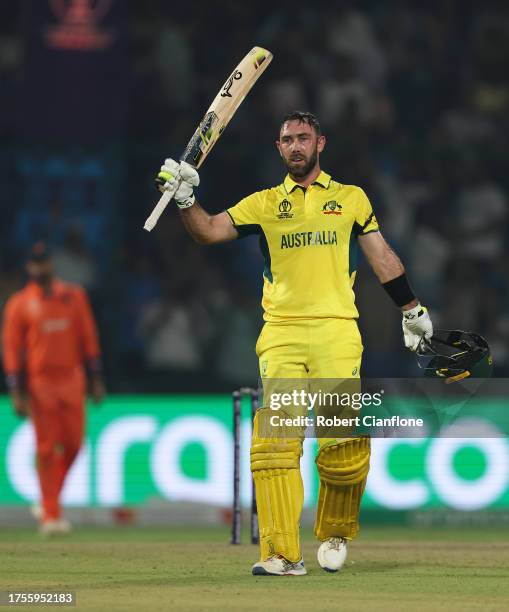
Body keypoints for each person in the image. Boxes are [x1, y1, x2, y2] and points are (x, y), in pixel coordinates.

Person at [155, 111, 433, 575]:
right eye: (288, 139)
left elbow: (382, 256)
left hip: (338, 331)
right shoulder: (264, 204)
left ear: (320, 143)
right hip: (282, 333)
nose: (296, 145)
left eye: (304, 137)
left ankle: (337, 530)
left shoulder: (351, 198)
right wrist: (185, 199)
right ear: (279, 148)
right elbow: (208, 231)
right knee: (275, 445)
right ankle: (282, 554)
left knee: (341, 443)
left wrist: (412, 309)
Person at [2, 242, 105, 535]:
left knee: (74, 445)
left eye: (43, 262)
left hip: (73, 380)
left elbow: (89, 337)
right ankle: (51, 515)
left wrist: (96, 378)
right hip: (40, 383)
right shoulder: (19, 304)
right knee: (47, 449)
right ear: (28, 268)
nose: (39, 268)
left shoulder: (74, 296)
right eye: (34, 263)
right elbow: (11, 349)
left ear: (51, 265)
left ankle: (49, 500)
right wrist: (15, 389)